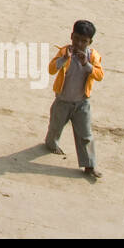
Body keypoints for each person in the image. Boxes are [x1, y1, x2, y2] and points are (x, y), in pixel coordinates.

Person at [44, 20, 105, 179]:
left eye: (83, 41)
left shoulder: (93, 56)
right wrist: (64, 58)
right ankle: (51, 144)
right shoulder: (64, 52)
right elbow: (51, 70)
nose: (79, 44)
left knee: (86, 135)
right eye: (76, 39)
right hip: (62, 101)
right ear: (71, 36)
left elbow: (99, 76)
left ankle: (89, 166)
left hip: (82, 103)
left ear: (90, 42)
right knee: (55, 127)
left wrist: (87, 64)